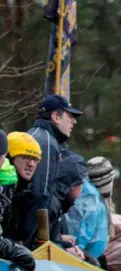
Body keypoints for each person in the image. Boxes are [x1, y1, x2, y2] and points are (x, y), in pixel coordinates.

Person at [23, 94, 82, 248]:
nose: (74, 121)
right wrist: (42, 242)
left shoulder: (35, 136)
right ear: (56, 116)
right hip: (28, 241)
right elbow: (40, 195)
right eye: (70, 116)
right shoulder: (46, 142)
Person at [0, 129, 35, 271]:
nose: (32, 164)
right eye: (26, 157)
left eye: (36, 159)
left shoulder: (8, 182)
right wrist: (21, 254)